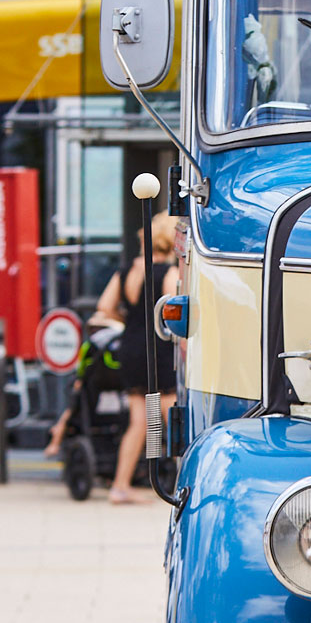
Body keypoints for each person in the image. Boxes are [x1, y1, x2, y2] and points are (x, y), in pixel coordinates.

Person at [95, 212, 183, 505]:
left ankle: (121, 485)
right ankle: (184, 479)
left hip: (131, 345)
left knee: (141, 419)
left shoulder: (127, 271)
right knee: (174, 413)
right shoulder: (168, 273)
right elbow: (175, 316)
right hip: (157, 348)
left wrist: (130, 321)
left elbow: (105, 307)